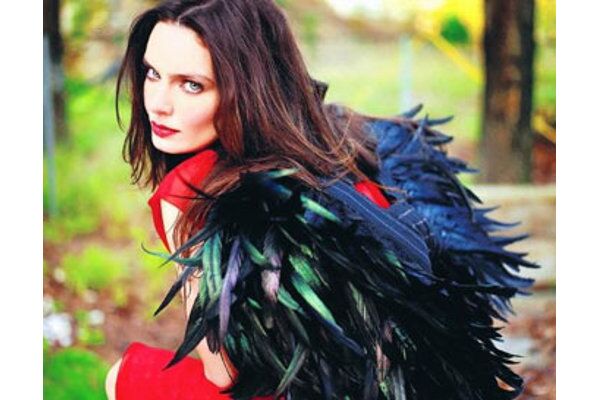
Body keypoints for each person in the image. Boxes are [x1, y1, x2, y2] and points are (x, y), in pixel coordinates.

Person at [106, 1, 536, 399]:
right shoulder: (338, 144)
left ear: (248, 89)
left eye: (192, 85)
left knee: (124, 376)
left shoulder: (195, 187)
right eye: (152, 74)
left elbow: (223, 372)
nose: (157, 104)